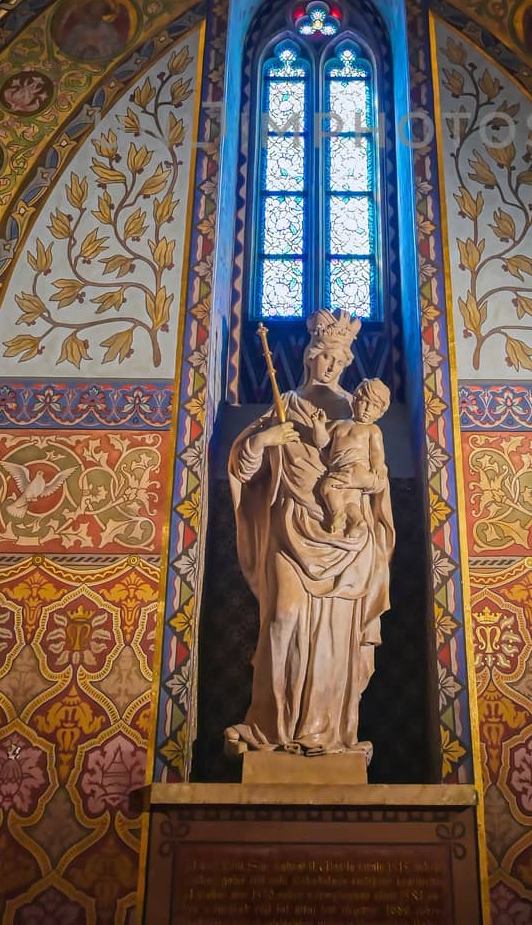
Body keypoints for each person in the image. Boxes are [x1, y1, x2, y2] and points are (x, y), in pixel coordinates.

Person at [225, 310, 395, 759]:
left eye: (340, 359)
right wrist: (264, 441)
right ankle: (270, 729)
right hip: (289, 528)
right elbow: (243, 469)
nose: (332, 366)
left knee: (334, 641)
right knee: (281, 621)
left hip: (347, 543)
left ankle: (323, 734)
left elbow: (380, 484)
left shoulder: (362, 418)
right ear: (309, 356)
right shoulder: (286, 406)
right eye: (324, 357)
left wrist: (355, 486)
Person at [314, 378, 390, 537]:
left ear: (380, 413)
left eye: (374, 406)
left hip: (357, 470)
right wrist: (319, 426)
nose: (368, 409)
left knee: (327, 487)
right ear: (354, 400)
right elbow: (322, 442)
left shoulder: (372, 430)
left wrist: (377, 467)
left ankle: (337, 515)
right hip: (341, 469)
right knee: (349, 500)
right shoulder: (339, 424)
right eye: (364, 402)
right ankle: (357, 521)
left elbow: (376, 452)